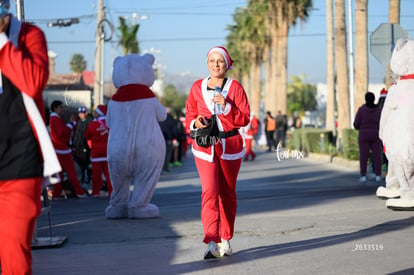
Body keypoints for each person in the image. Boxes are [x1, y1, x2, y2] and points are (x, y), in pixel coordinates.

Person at [0, 2, 59, 273]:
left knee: (13, 252)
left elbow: (33, 81)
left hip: (19, 163)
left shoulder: (28, 36)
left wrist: (2, 43)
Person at [185, 46, 250, 259]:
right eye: (212, 61)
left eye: (220, 61)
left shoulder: (235, 88)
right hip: (205, 147)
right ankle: (212, 240)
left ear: (226, 64)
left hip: (229, 146)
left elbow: (245, 118)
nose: (216, 64)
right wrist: (196, 121)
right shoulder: (197, 87)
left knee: (227, 194)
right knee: (209, 192)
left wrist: (227, 106)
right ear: (207, 64)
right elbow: (190, 115)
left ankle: (226, 238)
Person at [49, 100, 88, 199]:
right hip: (62, 149)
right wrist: (70, 124)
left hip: (57, 148)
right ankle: (79, 191)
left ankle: (57, 193)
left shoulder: (53, 119)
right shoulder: (56, 119)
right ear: (55, 108)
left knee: (59, 173)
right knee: (71, 172)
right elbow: (62, 133)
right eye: (61, 107)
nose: (62, 109)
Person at [353, 92, 382, 183]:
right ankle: (377, 175)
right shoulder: (379, 110)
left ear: (365, 99)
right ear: (374, 99)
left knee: (363, 156)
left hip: (364, 136)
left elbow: (356, 124)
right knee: (377, 156)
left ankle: (363, 175)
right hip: (376, 135)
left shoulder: (362, 110)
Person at [85, 104, 112, 198]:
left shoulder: (93, 124)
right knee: (109, 174)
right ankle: (111, 191)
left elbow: (87, 136)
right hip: (108, 151)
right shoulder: (111, 122)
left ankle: (96, 192)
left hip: (96, 152)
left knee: (96, 174)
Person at [73, 106, 93, 185]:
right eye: (79, 113)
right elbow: (77, 134)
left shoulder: (89, 121)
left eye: (82, 113)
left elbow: (87, 134)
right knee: (80, 161)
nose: (80, 115)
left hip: (85, 145)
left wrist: (85, 144)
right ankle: (84, 176)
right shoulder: (80, 121)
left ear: (86, 113)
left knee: (86, 162)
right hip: (79, 145)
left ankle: (87, 177)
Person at [159, 107, 178, 172]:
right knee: (167, 154)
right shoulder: (172, 120)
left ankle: (160, 168)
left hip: (160, 138)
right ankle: (165, 167)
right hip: (169, 139)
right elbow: (175, 131)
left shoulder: (160, 119)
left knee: (160, 154)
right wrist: (174, 137)